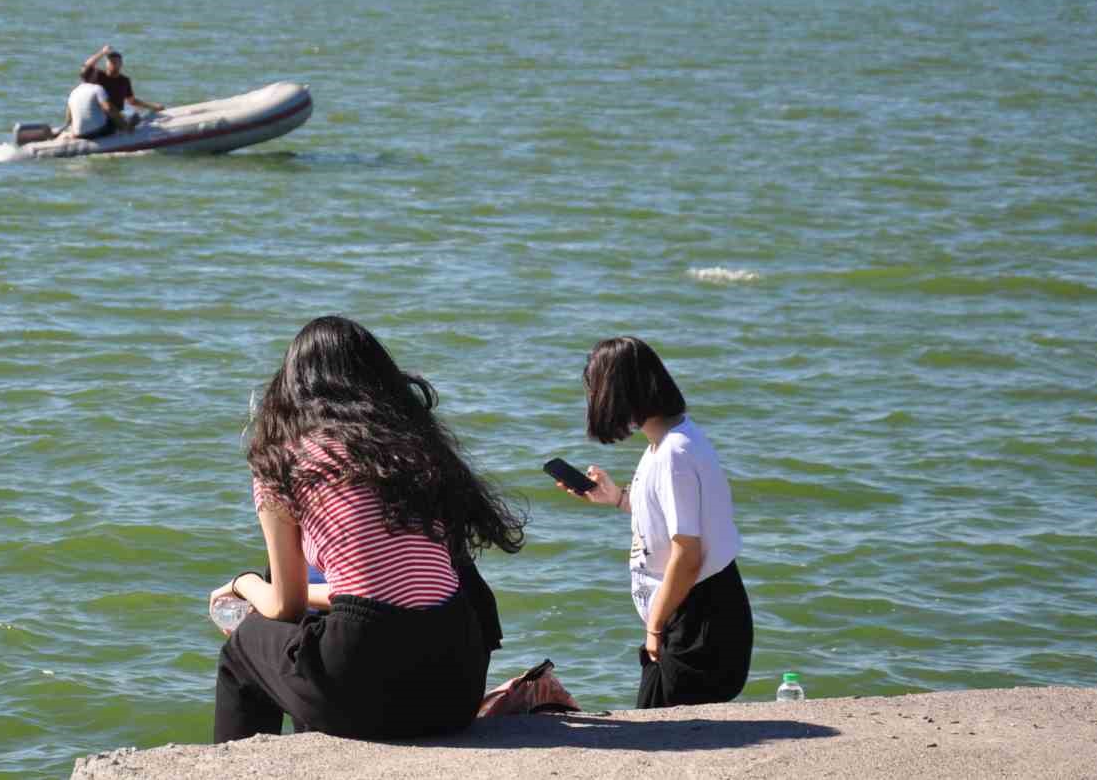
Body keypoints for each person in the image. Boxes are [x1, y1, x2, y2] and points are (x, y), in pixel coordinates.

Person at [210, 316, 525, 742]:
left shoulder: (281, 459)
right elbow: (388, 585)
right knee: (317, 638)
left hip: (366, 683)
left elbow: (286, 604)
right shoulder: (415, 451)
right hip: (456, 683)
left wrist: (242, 583)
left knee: (244, 649)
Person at [555, 335, 752, 709]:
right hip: (696, 609)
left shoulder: (673, 454)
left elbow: (688, 553)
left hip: (698, 619)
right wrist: (615, 498)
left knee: (662, 741)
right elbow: (673, 516)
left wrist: (655, 626)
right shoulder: (667, 442)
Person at [84, 46, 163, 127]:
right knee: (134, 116)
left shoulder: (124, 80)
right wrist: (102, 52)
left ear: (121, 64)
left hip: (118, 115)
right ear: (106, 64)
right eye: (111, 62)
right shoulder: (99, 76)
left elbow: (132, 101)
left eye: (116, 62)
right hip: (100, 115)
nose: (113, 64)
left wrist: (153, 106)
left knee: (137, 115)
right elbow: (87, 67)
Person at [55, 60, 117, 140]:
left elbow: (68, 119)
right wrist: (125, 125)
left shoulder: (74, 92)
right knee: (113, 120)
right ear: (93, 75)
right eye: (96, 73)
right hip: (95, 132)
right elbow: (109, 109)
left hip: (78, 133)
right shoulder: (97, 89)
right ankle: (128, 128)